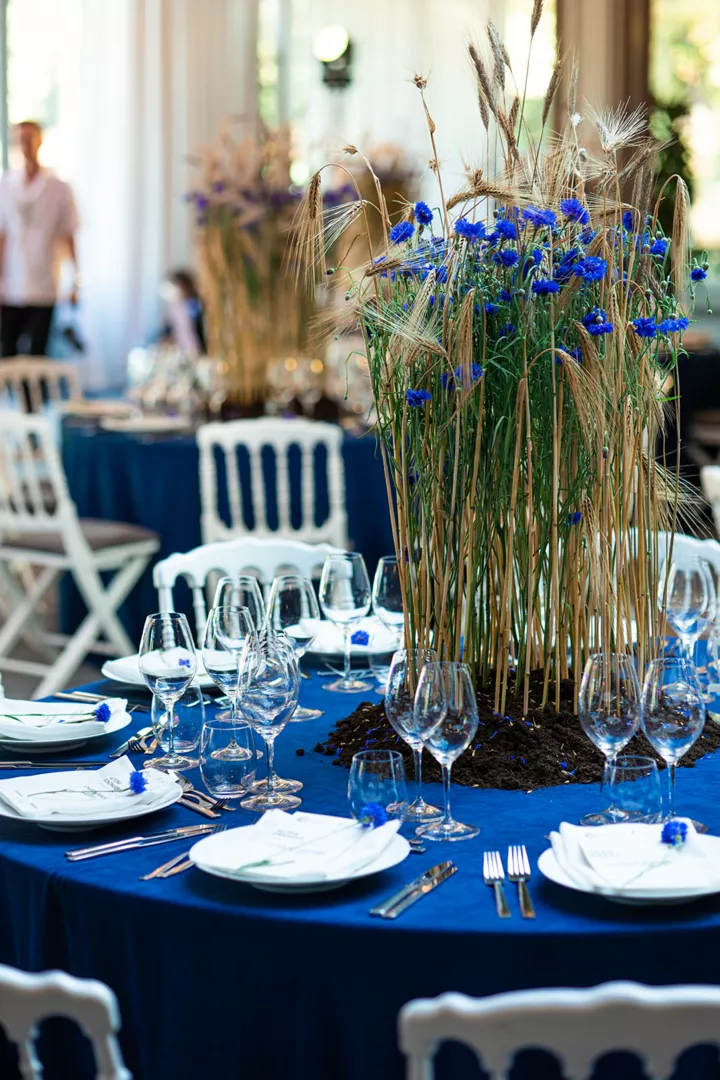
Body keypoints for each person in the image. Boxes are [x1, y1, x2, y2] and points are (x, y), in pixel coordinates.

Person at [0, 120, 79, 358]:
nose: (26, 145)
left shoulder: (59, 188)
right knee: (8, 352)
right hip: (11, 285)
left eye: (30, 139)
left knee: (38, 353)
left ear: (40, 141)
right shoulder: (5, 186)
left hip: (45, 283)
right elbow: (2, 236)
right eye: (21, 139)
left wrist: (75, 281)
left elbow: (69, 235)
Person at [158, 268, 207, 356]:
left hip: (200, 351)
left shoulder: (196, 304)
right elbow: (169, 329)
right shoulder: (174, 308)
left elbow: (199, 328)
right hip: (184, 352)